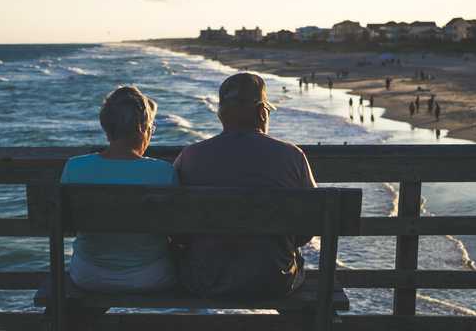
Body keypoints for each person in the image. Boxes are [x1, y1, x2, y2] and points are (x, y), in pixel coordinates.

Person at [173, 73, 316, 297]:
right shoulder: (292, 156)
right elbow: (309, 226)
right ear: (261, 112)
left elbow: (177, 230)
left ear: (221, 114)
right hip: (274, 280)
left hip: (205, 280)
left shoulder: (190, 156)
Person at [61, 86, 177, 292]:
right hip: (150, 277)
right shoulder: (163, 172)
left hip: (88, 276)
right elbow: (177, 231)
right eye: (151, 128)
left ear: (106, 127)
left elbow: (67, 227)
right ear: (142, 127)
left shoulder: (75, 167)